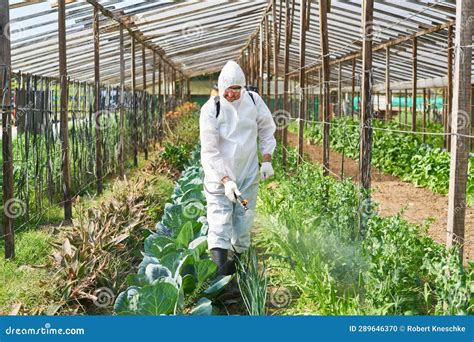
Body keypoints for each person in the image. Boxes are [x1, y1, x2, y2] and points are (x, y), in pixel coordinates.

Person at [199, 60, 276, 284]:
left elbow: (267, 129)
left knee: (243, 224)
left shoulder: (253, 101)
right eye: (228, 91)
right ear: (221, 88)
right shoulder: (211, 109)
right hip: (218, 179)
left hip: (248, 174)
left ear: (243, 88)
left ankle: (238, 274)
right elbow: (209, 151)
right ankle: (222, 282)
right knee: (220, 223)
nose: (232, 95)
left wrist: (267, 159)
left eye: (236, 90)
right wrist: (225, 180)